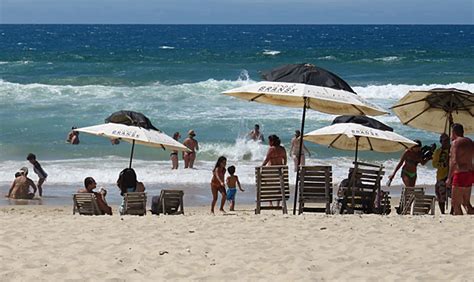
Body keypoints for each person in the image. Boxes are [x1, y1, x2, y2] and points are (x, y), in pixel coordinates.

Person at [446, 123, 473, 215]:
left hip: (460, 173)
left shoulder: (455, 143)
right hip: (470, 173)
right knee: (466, 203)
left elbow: (454, 161)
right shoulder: (470, 142)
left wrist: (449, 178)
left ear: (453, 132)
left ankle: (459, 220)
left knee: (455, 203)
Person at [262, 135, 287, 206]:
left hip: (271, 171)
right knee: (279, 186)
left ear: (272, 141)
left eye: (269, 141)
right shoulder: (282, 149)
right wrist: (284, 167)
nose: (268, 142)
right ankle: (278, 203)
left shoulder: (271, 149)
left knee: (270, 186)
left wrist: (261, 167)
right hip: (279, 172)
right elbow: (285, 159)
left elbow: (266, 160)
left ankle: (270, 203)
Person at [432, 133, 450, 214]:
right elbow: (434, 164)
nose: (446, 142)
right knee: (440, 195)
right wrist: (443, 164)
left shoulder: (452, 150)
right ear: (441, 142)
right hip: (441, 176)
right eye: (444, 141)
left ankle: (452, 211)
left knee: (453, 195)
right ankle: (442, 212)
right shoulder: (438, 151)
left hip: (451, 175)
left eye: (447, 140)